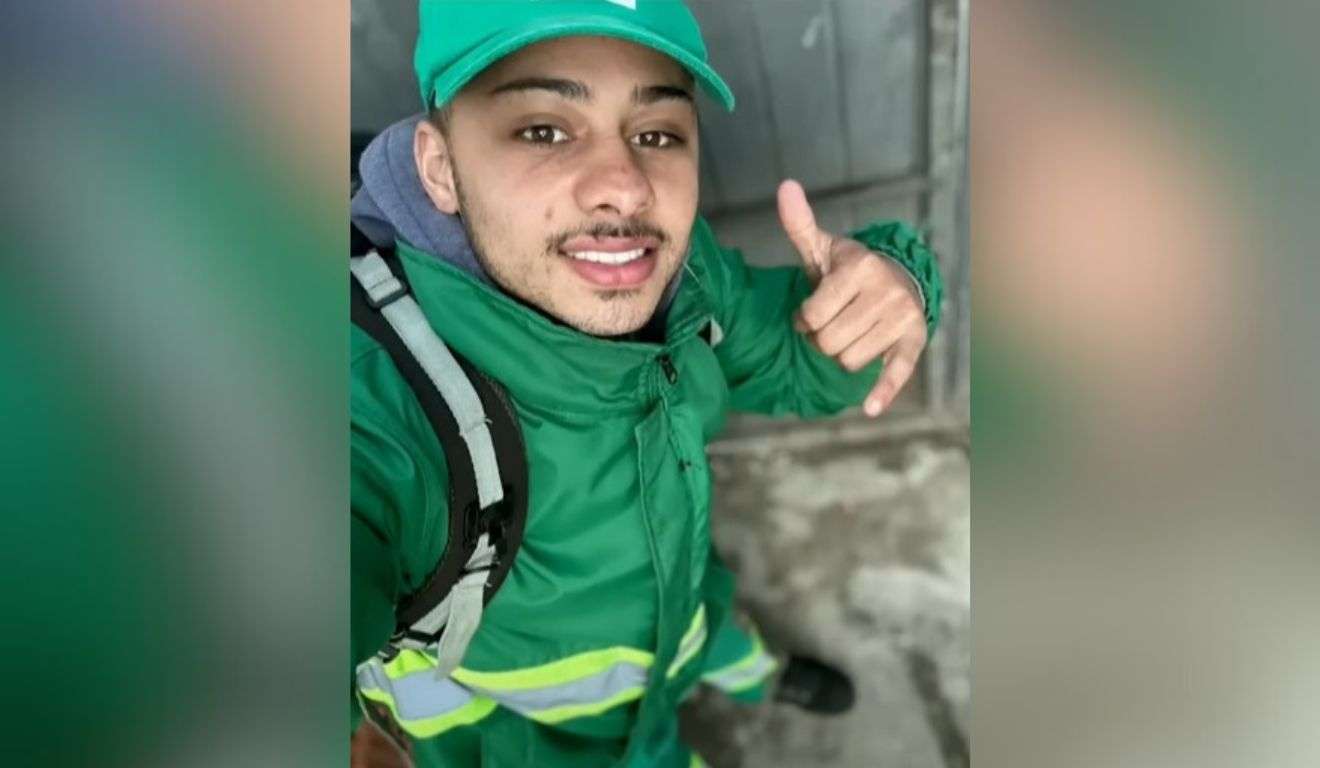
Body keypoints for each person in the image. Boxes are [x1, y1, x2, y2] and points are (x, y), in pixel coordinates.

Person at [350, 2, 943, 766]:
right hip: (528, 738)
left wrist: (881, 299)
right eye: (544, 130)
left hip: (683, 610)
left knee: (717, 636)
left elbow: (796, 365)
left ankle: (759, 677)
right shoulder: (377, 406)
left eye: (657, 134)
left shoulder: (685, 279)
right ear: (440, 168)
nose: (624, 189)